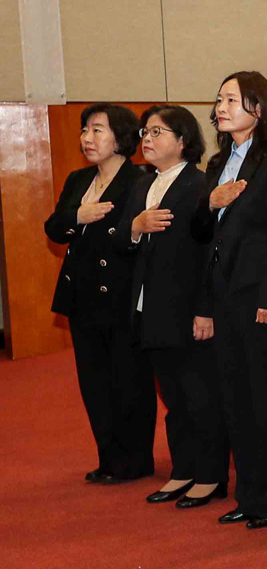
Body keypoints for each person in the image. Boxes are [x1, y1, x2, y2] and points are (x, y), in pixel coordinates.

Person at [194, 72, 267, 530]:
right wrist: (209, 202)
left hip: (259, 295)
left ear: (258, 107)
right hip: (224, 293)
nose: (220, 107)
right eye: (218, 99)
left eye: (231, 99)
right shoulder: (218, 162)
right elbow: (202, 237)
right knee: (235, 396)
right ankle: (250, 492)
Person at [122, 105, 225, 510]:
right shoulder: (142, 184)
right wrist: (134, 227)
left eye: (158, 132)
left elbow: (207, 254)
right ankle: (183, 469)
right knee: (174, 398)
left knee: (200, 395)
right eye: (145, 132)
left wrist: (205, 309)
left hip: (188, 308)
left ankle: (211, 475)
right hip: (151, 309)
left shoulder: (199, 185)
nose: (147, 140)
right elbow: (123, 246)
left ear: (183, 141)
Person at [47, 103, 154, 485]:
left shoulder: (140, 179)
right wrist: (80, 215)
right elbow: (55, 228)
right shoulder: (79, 180)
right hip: (82, 294)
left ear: (121, 137)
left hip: (122, 295)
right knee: (93, 381)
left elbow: (133, 239)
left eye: (97, 130)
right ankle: (109, 457)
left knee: (129, 380)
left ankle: (135, 459)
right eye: (85, 130)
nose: (87, 139)